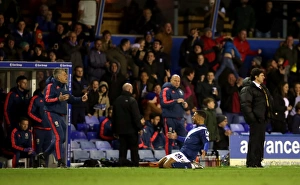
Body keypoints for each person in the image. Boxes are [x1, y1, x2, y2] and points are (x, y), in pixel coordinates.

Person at [38, 68, 88, 168]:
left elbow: (71, 99)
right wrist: (58, 99)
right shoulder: (50, 86)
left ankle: (44, 155)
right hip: (51, 113)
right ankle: (60, 162)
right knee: (58, 137)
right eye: (64, 74)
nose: (67, 76)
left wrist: (81, 99)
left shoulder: (64, 86)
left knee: (62, 138)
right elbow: (46, 100)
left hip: (61, 115)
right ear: (58, 76)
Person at [240, 68, 273, 168]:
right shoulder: (248, 89)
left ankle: (258, 161)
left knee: (260, 140)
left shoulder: (263, 88)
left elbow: (269, 100)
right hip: (255, 119)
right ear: (256, 76)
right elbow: (245, 105)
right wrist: (252, 118)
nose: (264, 77)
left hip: (262, 118)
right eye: (262, 75)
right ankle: (251, 162)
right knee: (254, 140)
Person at [112, 83, 144, 167]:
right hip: (132, 130)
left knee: (122, 149)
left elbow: (114, 117)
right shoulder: (132, 101)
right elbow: (136, 116)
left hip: (121, 131)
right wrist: (140, 128)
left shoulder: (117, 101)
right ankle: (135, 165)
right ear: (130, 89)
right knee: (134, 149)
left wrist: (115, 131)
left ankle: (121, 164)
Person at [160, 75, 189, 154]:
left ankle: (184, 159)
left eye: (178, 81)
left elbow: (180, 104)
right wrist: (176, 101)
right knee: (169, 140)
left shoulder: (181, 91)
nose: (177, 82)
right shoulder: (166, 90)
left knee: (182, 139)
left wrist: (185, 105)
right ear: (171, 80)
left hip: (180, 119)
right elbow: (163, 103)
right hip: (170, 119)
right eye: (175, 80)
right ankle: (167, 160)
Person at [27, 80, 51, 167]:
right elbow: (29, 112)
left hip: (49, 130)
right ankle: (34, 167)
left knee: (47, 151)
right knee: (36, 150)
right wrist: (40, 121)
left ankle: (46, 168)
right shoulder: (35, 99)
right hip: (39, 129)